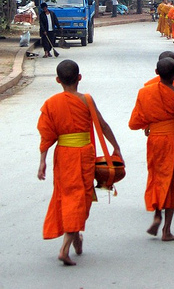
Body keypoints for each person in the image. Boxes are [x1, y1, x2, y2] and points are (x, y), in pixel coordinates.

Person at [37, 60, 122, 266]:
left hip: (63, 155)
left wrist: (42, 161)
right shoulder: (86, 100)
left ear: (58, 80)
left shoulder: (51, 104)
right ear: (80, 78)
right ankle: (65, 248)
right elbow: (103, 126)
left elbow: (47, 136)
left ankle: (76, 240)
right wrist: (116, 148)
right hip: (83, 154)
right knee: (80, 199)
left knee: (67, 196)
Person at [128, 57, 174, 241]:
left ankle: (157, 213)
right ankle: (166, 230)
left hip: (156, 140)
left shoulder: (145, 93)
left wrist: (152, 124)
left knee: (158, 176)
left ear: (156, 73)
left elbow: (134, 122)